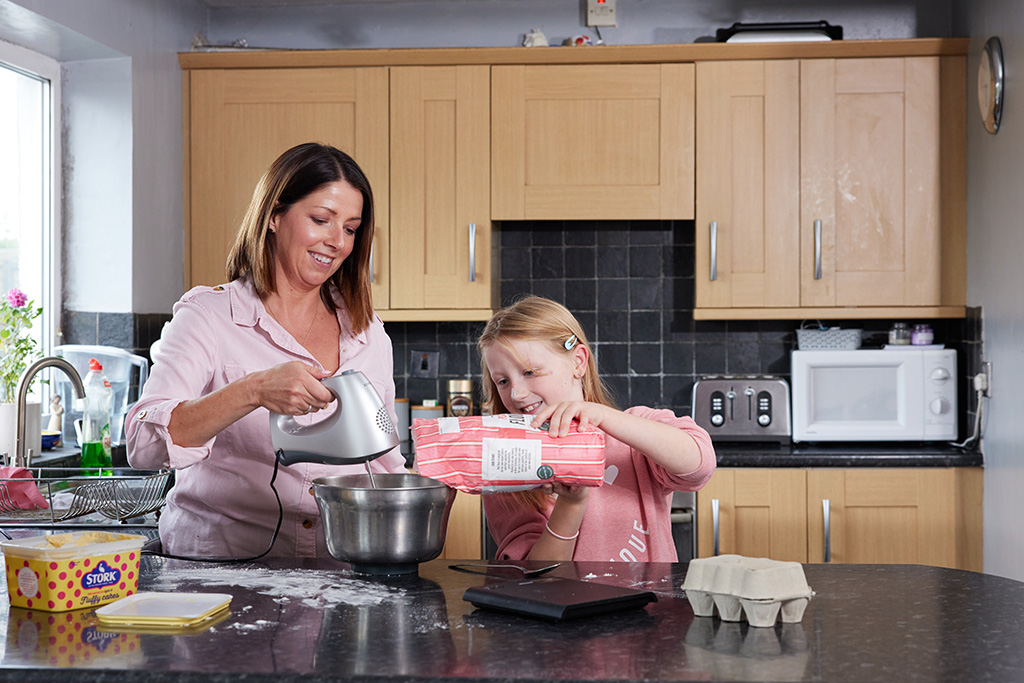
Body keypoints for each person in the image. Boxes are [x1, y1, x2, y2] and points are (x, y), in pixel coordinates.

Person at [127, 142, 406, 558]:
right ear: (274, 215)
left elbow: (383, 462)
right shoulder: (208, 316)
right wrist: (251, 391)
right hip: (217, 573)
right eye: (321, 220)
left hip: (340, 570)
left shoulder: (367, 331)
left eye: (350, 228)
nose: (337, 242)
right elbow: (143, 446)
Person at [477, 296, 716, 562]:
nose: (517, 393)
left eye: (530, 372)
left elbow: (700, 466)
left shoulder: (636, 432)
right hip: (564, 603)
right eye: (502, 381)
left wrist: (602, 416)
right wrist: (571, 504)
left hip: (648, 603)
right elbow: (535, 577)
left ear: (578, 362)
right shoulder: (504, 471)